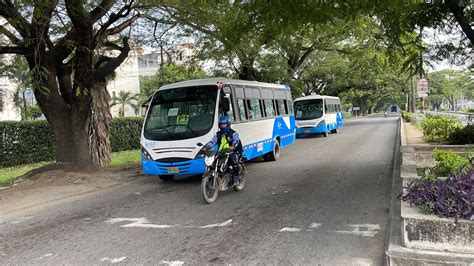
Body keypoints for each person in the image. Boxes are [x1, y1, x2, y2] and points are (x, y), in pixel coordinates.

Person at [205, 116, 242, 184]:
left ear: (228, 124)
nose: (223, 126)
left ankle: (236, 178)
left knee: (234, 162)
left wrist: (232, 146)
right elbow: (213, 141)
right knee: (213, 163)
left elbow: (236, 141)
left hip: (232, 151)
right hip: (221, 152)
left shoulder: (233, 133)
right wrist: (207, 146)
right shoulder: (218, 134)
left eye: (224, 124)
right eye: (221, 125)